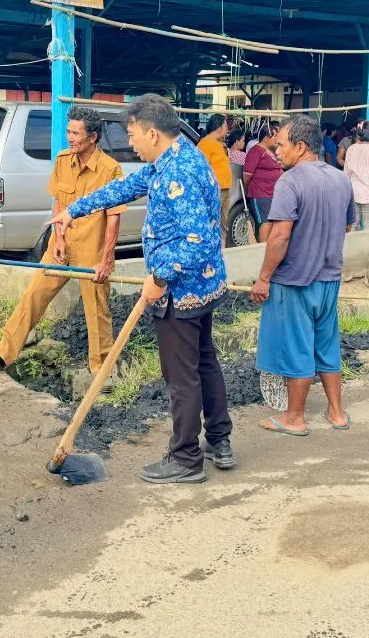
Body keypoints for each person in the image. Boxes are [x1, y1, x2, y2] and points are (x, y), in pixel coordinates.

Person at [50, 94, 232, 484]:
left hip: (181, 291)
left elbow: (197, 240)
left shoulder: (178, 171)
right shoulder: (175, 157)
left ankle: (185, 458)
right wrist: (72, 211)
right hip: (205, 285)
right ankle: (220, 440)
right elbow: (125, 188)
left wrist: (160, 276)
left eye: (132, 134)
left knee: (181, 375)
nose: (130, 143)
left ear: (152, 132)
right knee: (204, 362)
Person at [0, 107, 124, 374]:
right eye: (68, 131)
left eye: (75, 133)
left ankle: (102, 369)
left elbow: (113, 218)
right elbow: (58, 202)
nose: (69, 137)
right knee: (34, 294)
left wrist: (106, 260)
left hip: (93, 250)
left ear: (92, 137)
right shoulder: (62, 160)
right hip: (62, 245)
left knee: (96, 310)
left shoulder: (110, 170)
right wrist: (57, 239)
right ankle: (3, 352)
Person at [251, 114, 354, 435]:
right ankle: (336, 412)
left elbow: (279, 236)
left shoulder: (290, 181)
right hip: (329, 278)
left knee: (296, 345)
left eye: (280, 145)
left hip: (295, 280)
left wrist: (264, 277)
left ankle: (294, 418)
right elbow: (348, 225)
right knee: (326, 343)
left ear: (300, 146)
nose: (276, 151)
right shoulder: (340, 179)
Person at [243, 125, 283, 242]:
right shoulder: (256, 151)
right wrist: (250, 188)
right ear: (266, 138)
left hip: (271, 193)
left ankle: (266, 246)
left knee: (270, 222)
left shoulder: (270, 151)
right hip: (260, 193)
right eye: (274, 136)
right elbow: (247, 174)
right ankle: (262, 248)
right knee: (265, 222)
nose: (276, 139)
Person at [197, 113, 232, 237]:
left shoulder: (219, 143)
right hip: (215, 190)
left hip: (225, 188)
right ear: (219, 128)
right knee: (213, 221)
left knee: (223, 223)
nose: (228, 128)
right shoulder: (205, 144)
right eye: (226, 125)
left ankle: (223, 251)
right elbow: (201, 169)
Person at [228, 127, 248, 195]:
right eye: (243, 140)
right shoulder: (243, 156)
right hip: (240, 187)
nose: (244, 143)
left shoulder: (225, 152)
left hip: (228, 186)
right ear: (237, 142)